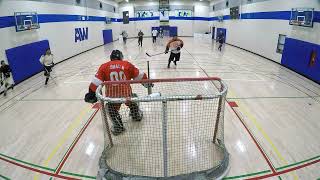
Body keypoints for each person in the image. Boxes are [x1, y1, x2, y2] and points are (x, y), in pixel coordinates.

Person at [84, 50, 151, 136]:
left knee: (109, 108)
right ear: (121, 57)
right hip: (126, 95)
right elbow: (139, 76)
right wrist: (147, 82)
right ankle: (136, 115)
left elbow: (95, 82)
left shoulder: (104, 67)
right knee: (134, 97)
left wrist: (91, 93)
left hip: (112, 97)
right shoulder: (127, 65)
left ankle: (118, 126)